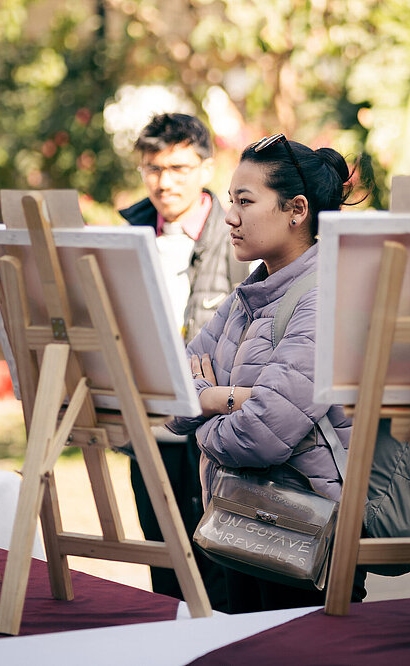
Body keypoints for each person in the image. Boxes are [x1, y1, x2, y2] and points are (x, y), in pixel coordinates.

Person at [167, 133, 367, 613]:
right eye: (229, 200)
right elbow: (169, 393)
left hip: (307, 537)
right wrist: (224, 398)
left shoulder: (325, 299)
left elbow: (258, 435)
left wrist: (205, 407)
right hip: (241, 522)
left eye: (245, 201)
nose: (229, 216)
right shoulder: (248, 296)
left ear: (296, 210)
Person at [119, 113, 249, 610]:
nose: (164, 180)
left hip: (212, 425)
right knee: (161, 557)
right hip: (148, 420)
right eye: (152, 168)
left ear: (205, 167)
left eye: (177, 167)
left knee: (217, 557)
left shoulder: (238, 235)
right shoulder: (127, 232)